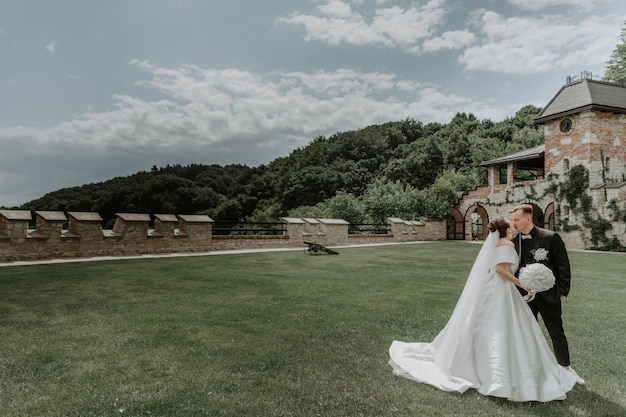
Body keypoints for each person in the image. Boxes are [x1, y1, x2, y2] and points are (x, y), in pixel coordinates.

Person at [389, 216, 584, 402]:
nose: (513, 225)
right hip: (500, 288)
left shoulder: (498, 243)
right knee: (501, 326)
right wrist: (523, 284)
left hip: (493, 287)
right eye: (511, 223)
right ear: (507, 230)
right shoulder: (507, 244)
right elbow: (499, 270)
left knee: (488, 324)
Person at [509, 204, 571, 368]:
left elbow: (563, 266)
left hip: (549, 294)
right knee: (527, 332)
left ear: (528, 219)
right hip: (523, 296)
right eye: (512, 219)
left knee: (556, 331)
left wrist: (562, 291)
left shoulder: (550, 237)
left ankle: (565, 367)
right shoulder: (513, 240)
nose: (513, 222)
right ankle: (533, 365)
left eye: (517, 219)